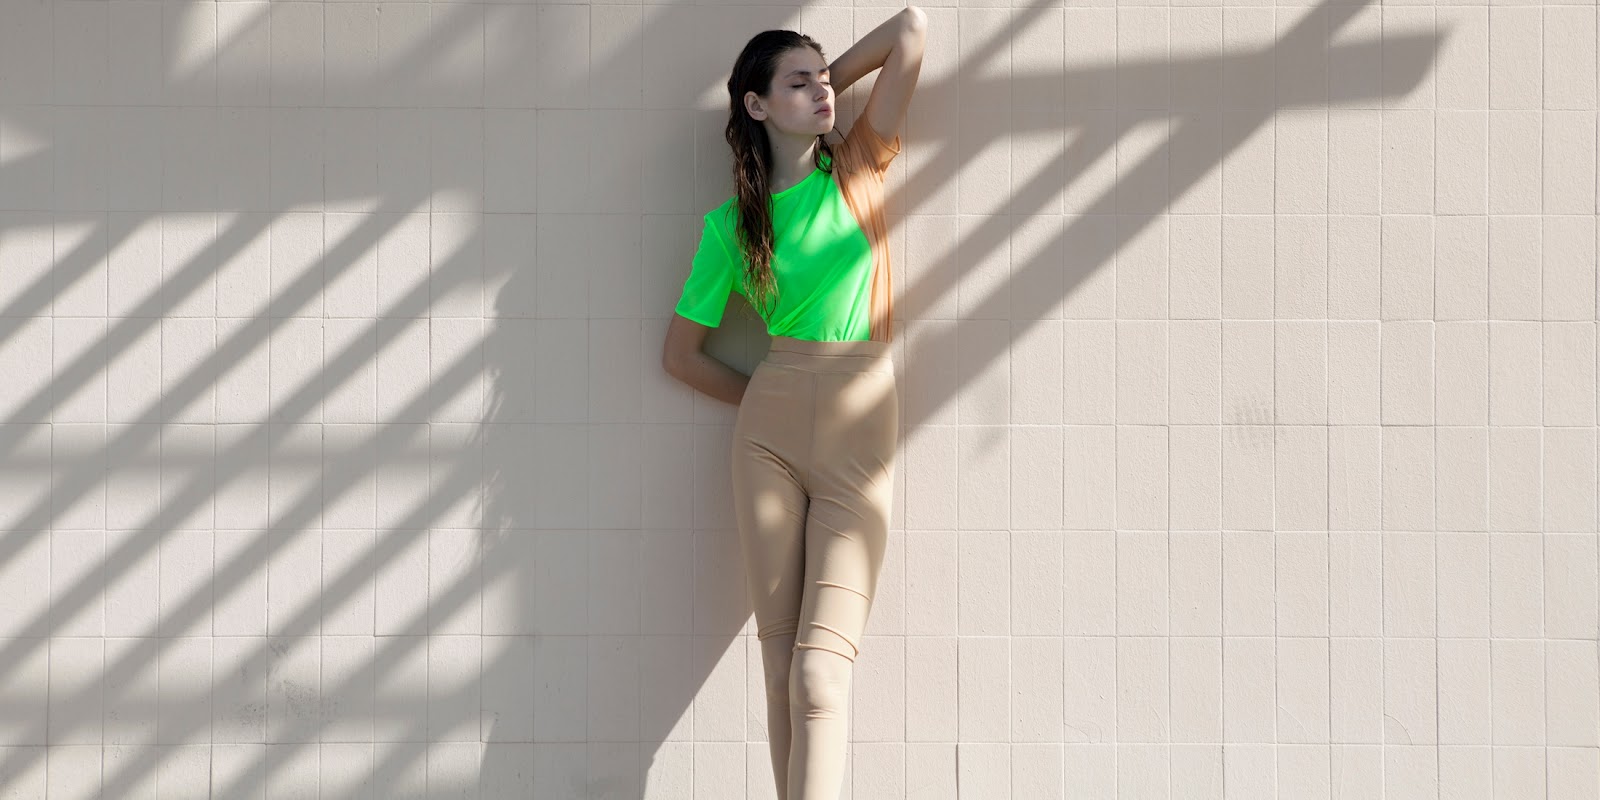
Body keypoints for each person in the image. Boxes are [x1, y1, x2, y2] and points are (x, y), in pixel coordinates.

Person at [660, 12, 926, 800]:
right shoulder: (730, 228)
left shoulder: (857, 168)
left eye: (824, 78)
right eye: (798, 82)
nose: (821, 91)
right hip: (767, 438)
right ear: (755, 105)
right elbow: (680, 355)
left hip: (859, 429)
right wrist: (770, 399)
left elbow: (909, 32)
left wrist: (826, 79)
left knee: (818, 676)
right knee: (780, 671)